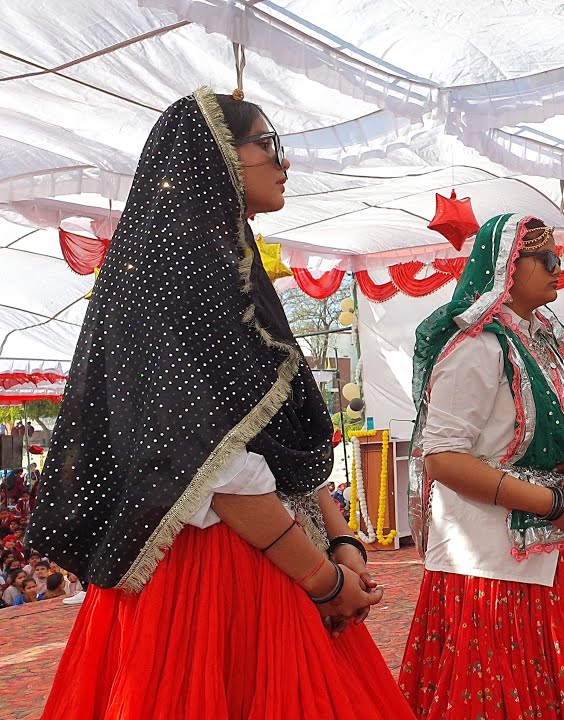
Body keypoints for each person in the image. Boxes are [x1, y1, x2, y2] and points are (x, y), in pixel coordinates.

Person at [27, 89, 413, 719]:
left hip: (275, 544)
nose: (283, 163)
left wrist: (345, 543)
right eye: (269, 144)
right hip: (222, 568)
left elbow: (272, 429)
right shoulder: (185, 261)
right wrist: (324, 580)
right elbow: (218, 462)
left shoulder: (225, 260)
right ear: (218, 156)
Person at [398, 214, 564, 719]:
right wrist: (547, 502)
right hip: (491, 563)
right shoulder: (476, 349)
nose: (557, 268)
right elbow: (441, 457)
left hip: (548, 547)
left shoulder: (543, 343)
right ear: (507, 264)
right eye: (546, 260)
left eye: (558, 259)